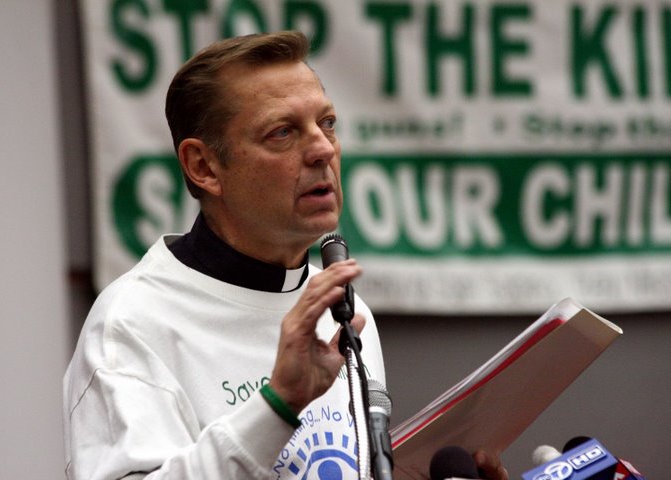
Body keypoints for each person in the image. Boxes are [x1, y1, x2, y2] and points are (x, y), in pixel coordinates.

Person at [63, 31, 508, 480]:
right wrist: (276, 406)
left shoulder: (347, 316)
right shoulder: (132, 325)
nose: (322, 149)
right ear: (204, 166)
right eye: (282, 132)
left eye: (328, 123)